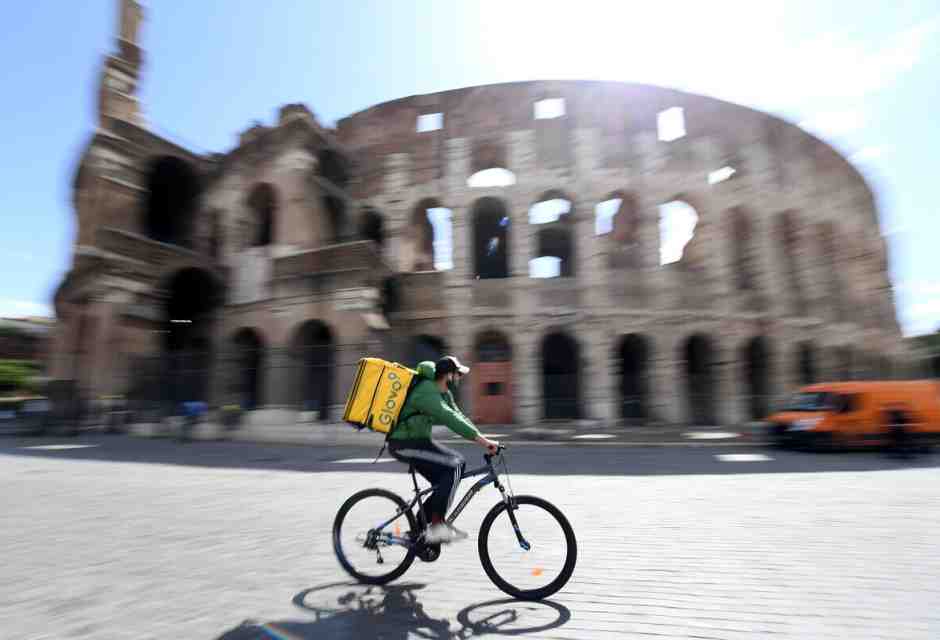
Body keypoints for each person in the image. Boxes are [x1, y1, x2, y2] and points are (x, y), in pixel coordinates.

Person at [387, 355, 500, 544]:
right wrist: (482, 441)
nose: (458, 379)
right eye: (457, 375)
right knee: (453, 467)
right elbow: (448, 417)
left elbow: (458, 415)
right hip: (403, 444)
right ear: (448, 375)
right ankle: (437, 526)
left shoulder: (443, 393)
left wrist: (483, 438)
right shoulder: (427, 390)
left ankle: (419, 529)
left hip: (420, 442)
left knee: (454, 469)